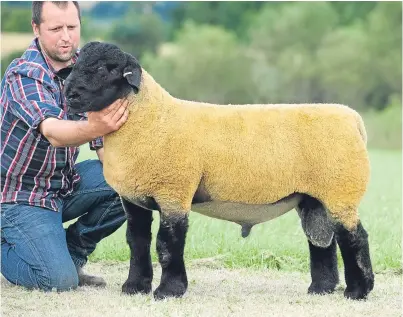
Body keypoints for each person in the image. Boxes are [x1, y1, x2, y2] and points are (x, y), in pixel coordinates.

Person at [1, 1, 130, 291]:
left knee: (131, 183)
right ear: (36, 29)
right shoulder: (24, 75)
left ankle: (72, 254)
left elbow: (100, 139)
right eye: (56, 28)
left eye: (72, 27)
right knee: (57, 281)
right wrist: (96, 127)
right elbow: (53, 132)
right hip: (20, 196)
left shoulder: (85, 66)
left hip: (63, 184)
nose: (66, 37)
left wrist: (123, 177)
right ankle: (9, 243)